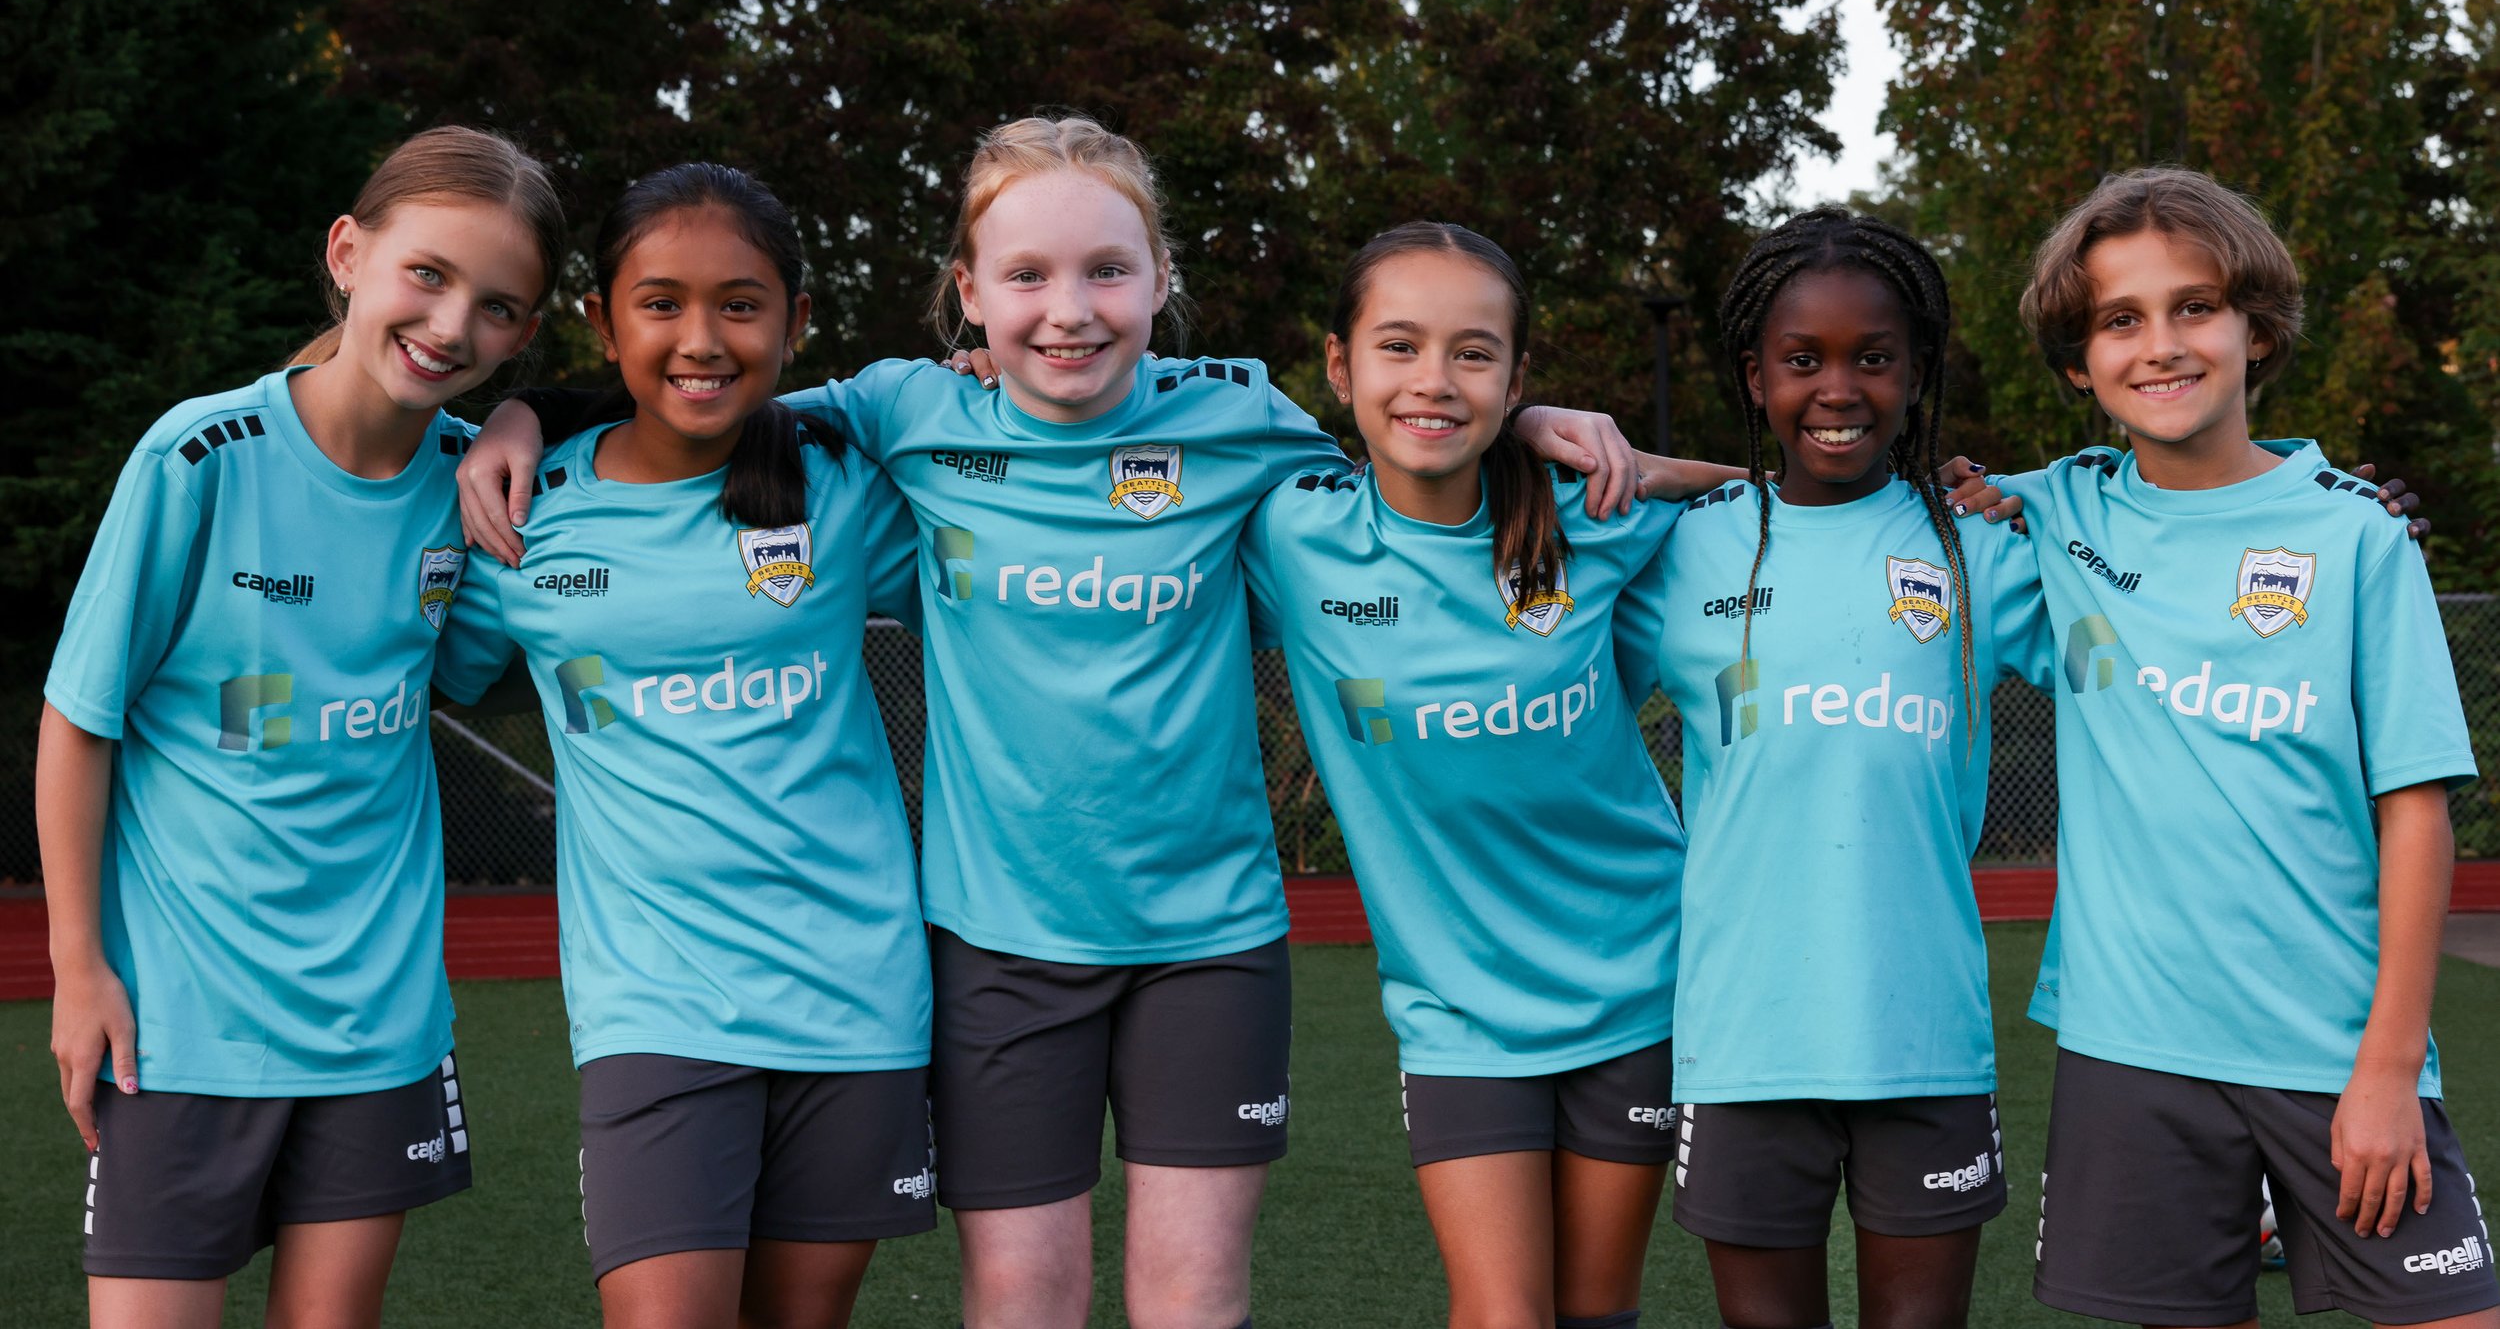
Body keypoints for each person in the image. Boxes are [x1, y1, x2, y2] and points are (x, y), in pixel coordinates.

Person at [451, 115, 1644, 1329]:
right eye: (1025, 275)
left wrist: (1531, 426)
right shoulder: (902, 413)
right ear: (967, 294)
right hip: (996, 941)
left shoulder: (1239, 421)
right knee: (1023, 1296)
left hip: (1207, 938)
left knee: (1190, 1297)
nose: (1067, 309)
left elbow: (1408, 449)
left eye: (1107, 271)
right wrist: (527, 414)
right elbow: (699, 392)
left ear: (1161, 280)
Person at [36, 126, 565, 1328]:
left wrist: (526, 418)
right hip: (178, 1017)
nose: (449, 325)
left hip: (379, 1022)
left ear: (523, 333)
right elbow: (79, 723)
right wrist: (78, 968)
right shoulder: (199, 455)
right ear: (348, 251)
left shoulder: (466, 476)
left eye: (496, 307)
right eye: (425, 274)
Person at [431, 163, 931, 1329]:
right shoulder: (520, 508)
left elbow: (1007, 476)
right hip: (653, 1011)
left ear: (797, 323)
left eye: (740, 304)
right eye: (659, 302)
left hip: (855, 1000)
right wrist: (522, 413)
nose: (700, 338)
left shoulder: (849, 487)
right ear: (602, 323)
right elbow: (423, 664)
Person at [2004, 168, 2499, 1329]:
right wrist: (1618, 453)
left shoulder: (2356, 533)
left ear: (2255, 329)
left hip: (2337, 1046)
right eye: (2119, 319)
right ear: (2078, 362)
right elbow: (1850, 506)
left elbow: (2415, 814)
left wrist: (2386, 1065)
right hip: (2133, 1046)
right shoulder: (2055, 514)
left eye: (2193, 306)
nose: (2159, 344)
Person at [1241, 221, 1727, 1328]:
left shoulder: (1593, 523)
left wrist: (1643, 462)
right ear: (1337, 365)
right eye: (1398, 345)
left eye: (1472, 353)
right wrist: (990, 362)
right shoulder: (1290, 533)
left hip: (1638, 978)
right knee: (1504, 1311)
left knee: (1595, 1309)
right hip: (1458, 1008)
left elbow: (1800, 501)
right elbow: (1118, 432)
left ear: (1516, 379)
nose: (1432, 380)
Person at [1635, 209, 2042, 1329]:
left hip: (1922, 1030)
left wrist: (2329, 506)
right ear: (1752, 372)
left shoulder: (1981, 546)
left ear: (1915, 374)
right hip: (1743, 1032)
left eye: (1873, 357)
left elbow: (2156, 574)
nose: (1837, 388)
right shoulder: (1680, 543)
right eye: (1801, 359)